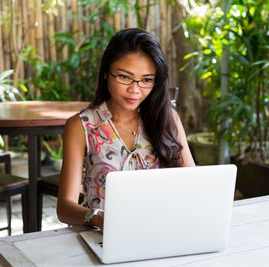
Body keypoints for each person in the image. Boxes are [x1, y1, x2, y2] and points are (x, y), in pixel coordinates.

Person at [56, 28, 195, 231]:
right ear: (106, 72)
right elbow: (64, 208)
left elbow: (193, 182)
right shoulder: (81, 125)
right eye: (124, 77)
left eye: (146, 80)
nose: (135, 90)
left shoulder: (167, 118)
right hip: (101, 234)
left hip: (159, 229)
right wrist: (96, 217)